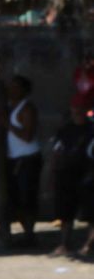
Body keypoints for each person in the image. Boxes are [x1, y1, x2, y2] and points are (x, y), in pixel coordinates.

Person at [49, 102, 94, 258]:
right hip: (66, 174)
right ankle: (64, 244)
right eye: (75, 109)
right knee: (65, 211)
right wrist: (54, 173)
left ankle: (89, 245)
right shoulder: (64, 131)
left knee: (90, 212)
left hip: (88, 173)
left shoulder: (91, 130)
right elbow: (56, 152)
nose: (78, 112)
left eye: (81, 109)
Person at [5, 75, 43, 246]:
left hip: (28, 158)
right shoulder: (9, 107)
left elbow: (27, 136)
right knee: (15, 198)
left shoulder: (27, 108)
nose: (11, 89)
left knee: (27, 197)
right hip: (14, 158)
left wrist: (8, 125)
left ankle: (30, 233)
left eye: (15, 86)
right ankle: (26, 231)